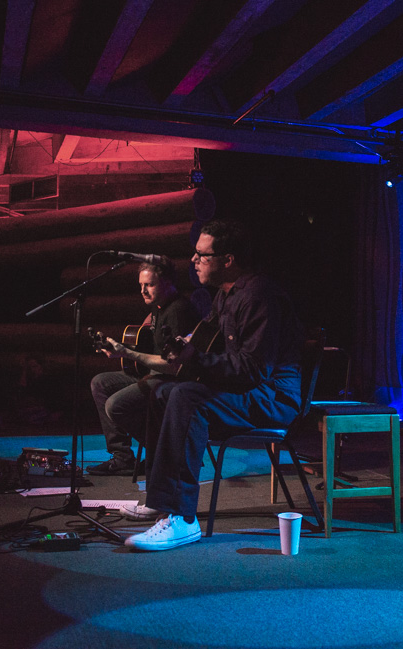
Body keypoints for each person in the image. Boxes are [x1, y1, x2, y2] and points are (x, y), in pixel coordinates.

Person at [123, 220, 305, 551]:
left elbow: (253, 370)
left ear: (228, 259)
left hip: (273, 397)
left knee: (187, 397)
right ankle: (161, 498)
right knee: (161, 391)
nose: (193, 261)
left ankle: (182, 518)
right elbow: (208, 340)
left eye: (201, 255)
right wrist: (184, 347)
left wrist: (196, 359)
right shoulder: (226, 295)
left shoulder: (259, 296)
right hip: (248, 390)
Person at [86, 256, 199, 476]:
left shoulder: (177, 310)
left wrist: (126, 352)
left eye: (149, 285)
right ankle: (122, 458)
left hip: (171, 379)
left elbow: (174, 365)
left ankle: (167, 451)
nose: (143, 291)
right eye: (141, 285)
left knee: (115, 405)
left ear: (168, 283)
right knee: (100, 383)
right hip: (154, 374)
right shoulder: (158, 307)